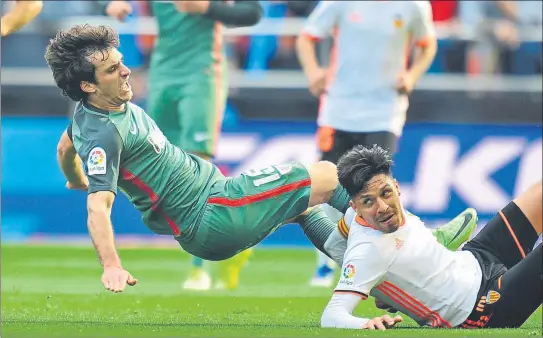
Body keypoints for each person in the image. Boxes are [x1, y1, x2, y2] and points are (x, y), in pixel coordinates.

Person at [46, 25, 477, 295]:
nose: (125, 72)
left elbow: (67, 146)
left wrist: (74, 175)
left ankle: (375, 274)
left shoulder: (93, 116)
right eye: (113, 70)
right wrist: (112, 265)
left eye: (122, 64)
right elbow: (98, 206)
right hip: (211, 214)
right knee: (329, 174)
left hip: (215, 202)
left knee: (306, 208)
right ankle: (424, 243)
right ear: (87, 85)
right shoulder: (104, 131)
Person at [101, 0, 263, 290]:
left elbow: (252, 12)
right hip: (163, 73)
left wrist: (207, 8)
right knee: (160, 159)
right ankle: (235, 236)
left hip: (201, 73)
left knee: (198, 162)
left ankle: (200, 268)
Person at [310, 145, 541, 330]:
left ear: (397, 187)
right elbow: (332, 315)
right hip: (480, 309)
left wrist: (383, 289)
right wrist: (365, 323)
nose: (382, 207)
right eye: (368, 201)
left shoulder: (371, 215)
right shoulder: (367, 251)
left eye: (386, 193)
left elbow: (335, 244)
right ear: (355, 206)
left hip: (476, 259)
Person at [296, 0, 438, 287]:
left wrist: (412, 75)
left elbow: (427, 43)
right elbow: (306, 37)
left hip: (383, 111)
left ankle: (390, 262)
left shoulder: (414, 5)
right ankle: (325, 263)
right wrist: (313, 73)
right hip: (338, 108)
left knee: (380, 190)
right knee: (328, 188)